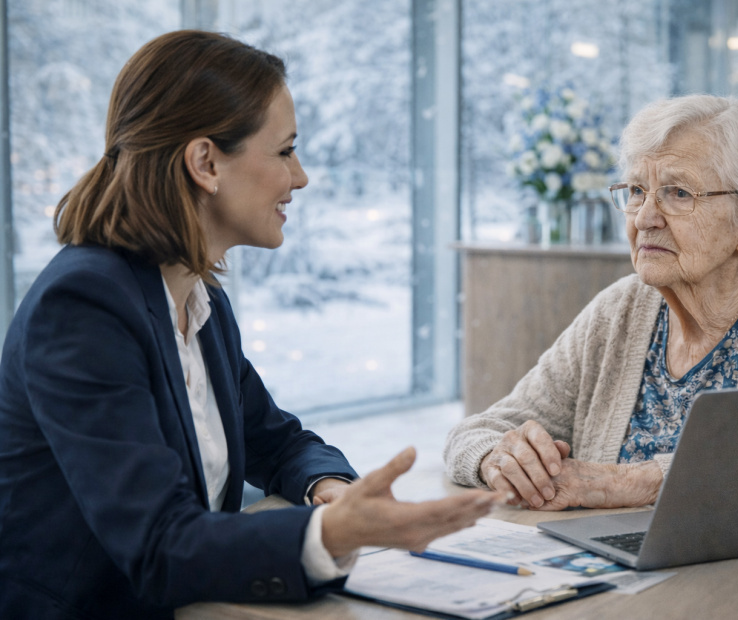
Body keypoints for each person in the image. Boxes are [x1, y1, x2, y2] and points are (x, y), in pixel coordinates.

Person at [0, 30, 497, 619]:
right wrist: (331, 534)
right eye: (285, 151)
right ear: (206, 162)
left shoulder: (196, 297)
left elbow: (276, 440)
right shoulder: (84, 306)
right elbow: (158, 544)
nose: (302, 176)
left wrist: (331, 492)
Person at [444, 94, 738, 511]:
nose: (645, 218)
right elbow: (480, 430)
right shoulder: (620, 309)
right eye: (636, 190)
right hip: (607, 570)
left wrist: (637, 482)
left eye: (678, 193)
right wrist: (498, 458)